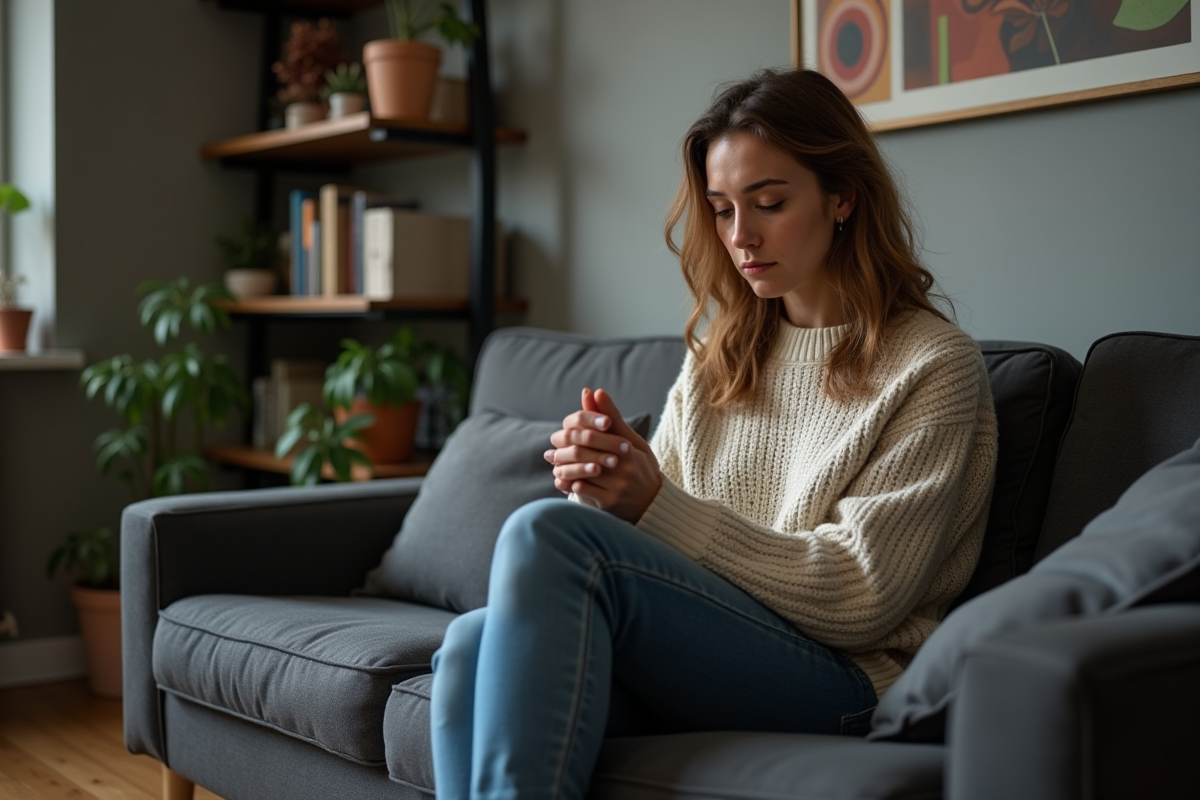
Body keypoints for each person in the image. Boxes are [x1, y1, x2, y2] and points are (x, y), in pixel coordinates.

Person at [429, 68, 997, 800]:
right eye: (722, 209)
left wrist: (654, 505)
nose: (740, 236)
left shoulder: (933, 366)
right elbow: (638, 555)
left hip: (846, 682)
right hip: (712, 654)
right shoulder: (721, 357)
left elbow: (863, 596)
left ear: (843, 196)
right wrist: (604, 491)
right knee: (470, 644)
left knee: (542, 533)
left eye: (769, 203)